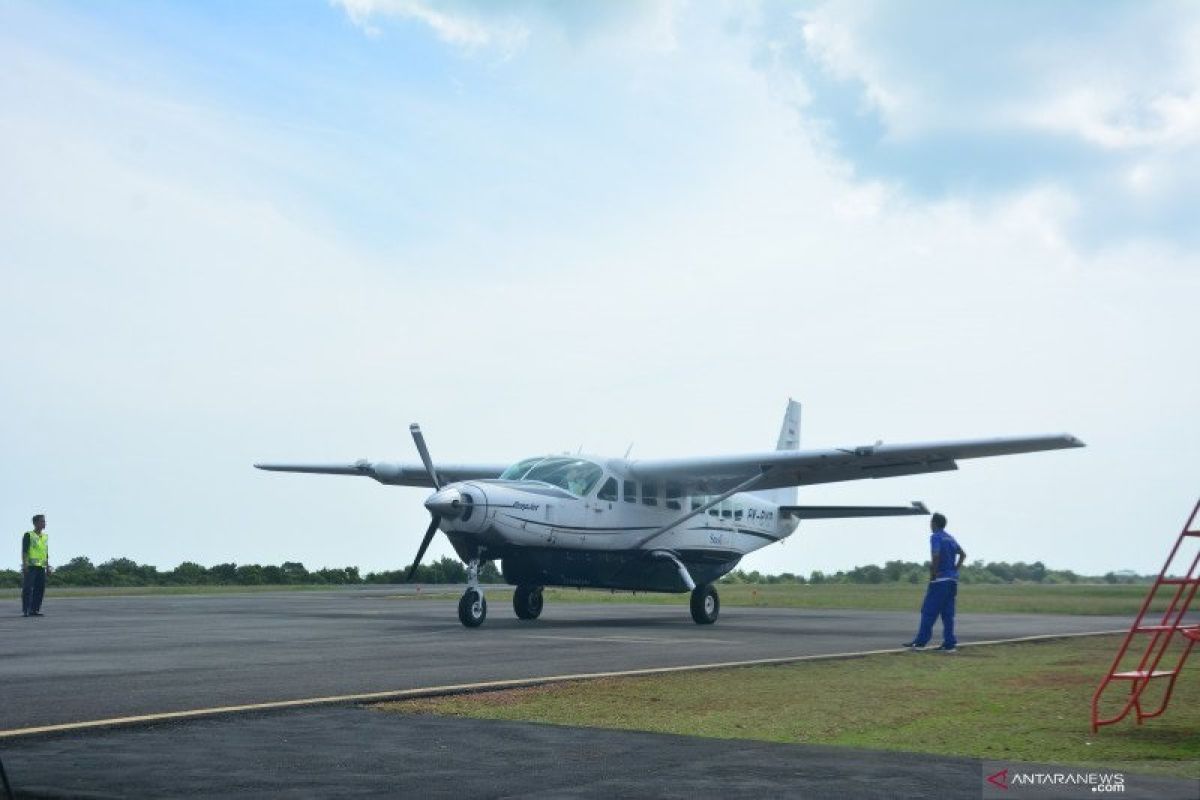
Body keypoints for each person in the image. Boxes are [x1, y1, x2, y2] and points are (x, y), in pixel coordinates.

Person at [903, 512, 965, 652]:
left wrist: (934, 573)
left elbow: (935, 555)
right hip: (952, 581)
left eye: (931, 522)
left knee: (928, 611)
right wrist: (955, 569)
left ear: (935, 523)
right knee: (947, 614)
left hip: (940, 580)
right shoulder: (950, 538)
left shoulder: (935, 537)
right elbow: (963, 554)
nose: (930, 524)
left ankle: (920, 643)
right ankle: (949, 645)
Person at [21, 514, 50, 617]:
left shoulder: (45, 537)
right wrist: (25, 565)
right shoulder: (28, 535)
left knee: (40, 588)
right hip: (31, 566)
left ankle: (35, 610)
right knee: (28, 588)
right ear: (35, 523)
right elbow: (24, 551)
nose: (44, 523)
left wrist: (48, 567)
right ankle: (26, 610)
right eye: (42, 521)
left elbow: (45, 553)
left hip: (41, 567)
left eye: (44, 521)